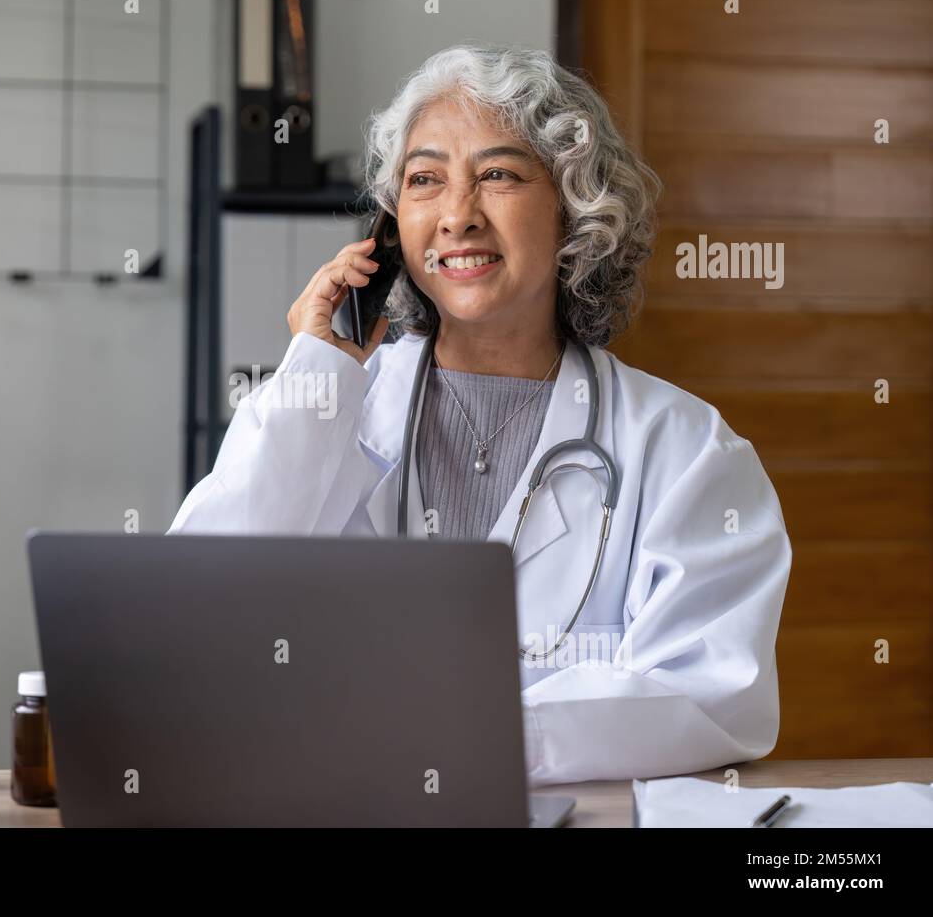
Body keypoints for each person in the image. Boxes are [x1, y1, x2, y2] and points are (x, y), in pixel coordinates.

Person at [169, 45, 791, 788]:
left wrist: (458, 737)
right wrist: (316, 378)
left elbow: (713, 695)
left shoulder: (687, 451)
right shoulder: (334, 407)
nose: (458, 215)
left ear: (575, 206)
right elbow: (193, 620)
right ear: (390, 229)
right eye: (424, 180)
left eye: (497, 175)